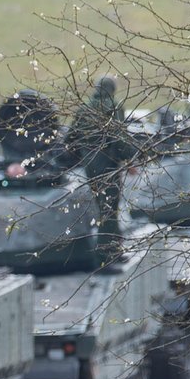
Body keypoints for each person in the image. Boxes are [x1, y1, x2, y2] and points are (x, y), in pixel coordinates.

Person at [68, 76, 138, 263]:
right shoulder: (112, 107)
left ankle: (111, 249)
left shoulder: (84, 108)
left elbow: (70, 138)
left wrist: (81, 157)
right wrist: (130, 158)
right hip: (108, 165)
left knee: (103, 207)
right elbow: (118, 135)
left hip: (90, 166)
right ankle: (107, 253)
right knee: (109, 209)